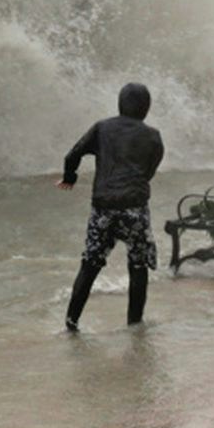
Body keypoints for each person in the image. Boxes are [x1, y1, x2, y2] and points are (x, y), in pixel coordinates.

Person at [56, 83, 164, 331]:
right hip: (135, 209)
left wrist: (69, 178)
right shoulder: (152, 135)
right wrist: (135, 185)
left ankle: (71, 322)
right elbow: (150, 169)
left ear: (119, 103)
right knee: (138, 265)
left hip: (103, 208)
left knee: (90, 263)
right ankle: (134, 324)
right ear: (146, 108)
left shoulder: (102, 128)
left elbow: (72, 155)